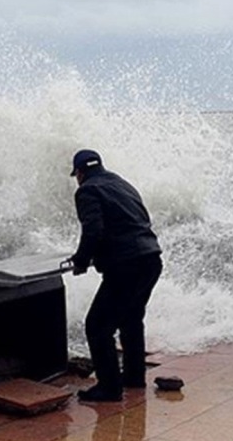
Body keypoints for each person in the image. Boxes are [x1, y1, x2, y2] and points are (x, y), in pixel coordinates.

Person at [67, 149, 163, 402]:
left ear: (79, 172)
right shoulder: (122, 184)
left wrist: (80, 261)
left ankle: (109, 388)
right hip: (151, 259)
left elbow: (93, 230)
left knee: (97, 326)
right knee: (131, 319)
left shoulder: (87, 190)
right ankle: (133, 377)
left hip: (127, 265)